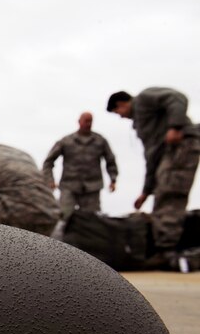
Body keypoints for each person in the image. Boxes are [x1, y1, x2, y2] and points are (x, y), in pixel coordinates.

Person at [107, 87, 200, 250]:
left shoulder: (143, 99)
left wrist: (175, 127)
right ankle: (165, 245)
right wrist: (146, 191)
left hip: (181, 146)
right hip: (167, 155)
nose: (120, 117)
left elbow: (177, 98)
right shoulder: (142, 123)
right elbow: (152, 158)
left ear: (121, 104)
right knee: (162, 197)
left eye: (117, 112)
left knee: (170, 196)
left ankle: (167, 249)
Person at [42, 112, 118, 219]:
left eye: (90, 121)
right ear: (79, 122)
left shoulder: (100, 141)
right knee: (63, 218)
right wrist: (49, 181)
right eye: (86, 121)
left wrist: (113, 179)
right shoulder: (66, 141)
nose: (88, 124)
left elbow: (110, 161)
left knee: (92, 221)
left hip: (92, 188)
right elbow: (48, 162)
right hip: (69, 186)